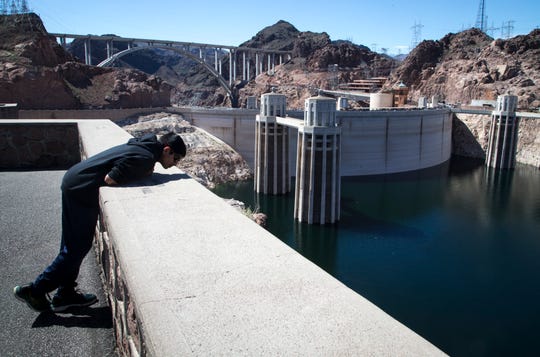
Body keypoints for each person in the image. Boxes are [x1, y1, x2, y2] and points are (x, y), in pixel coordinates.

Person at [14, 132, 186, 312]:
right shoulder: (145, 157)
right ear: (167, 150)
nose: (175, 164)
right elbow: (111, 179)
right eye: (176, 159)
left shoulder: (143, 147)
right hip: (81, 191)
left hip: (75, 181)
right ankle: (35, 290)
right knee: (76, 248)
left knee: (71, 246)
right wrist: (143, 171)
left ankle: (65, 294)